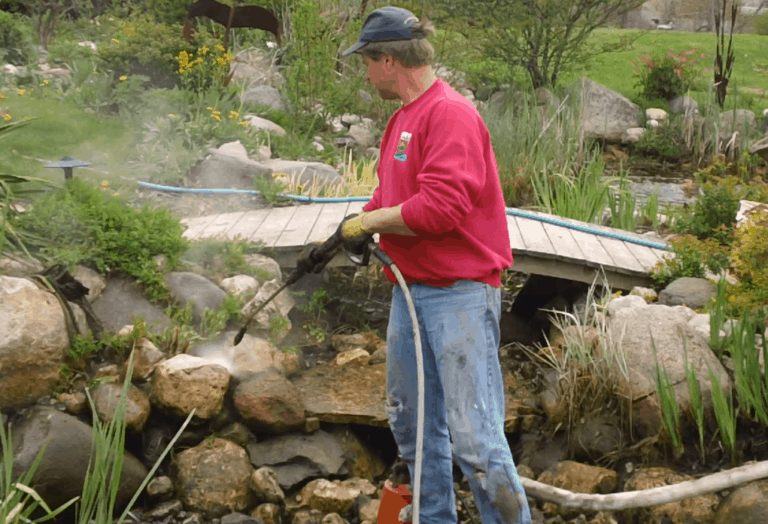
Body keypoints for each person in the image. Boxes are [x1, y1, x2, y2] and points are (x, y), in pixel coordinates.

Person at [338, 6, 532, 524]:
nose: (366, 72)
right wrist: (359, 221)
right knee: (413, 425)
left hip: (459, 292)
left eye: (366, 62)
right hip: (410, 290)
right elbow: (390, 195)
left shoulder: (449, 114)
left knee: (474, 436)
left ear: (387, 60)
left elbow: (443, 208)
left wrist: (372, 220)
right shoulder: (403, 118)